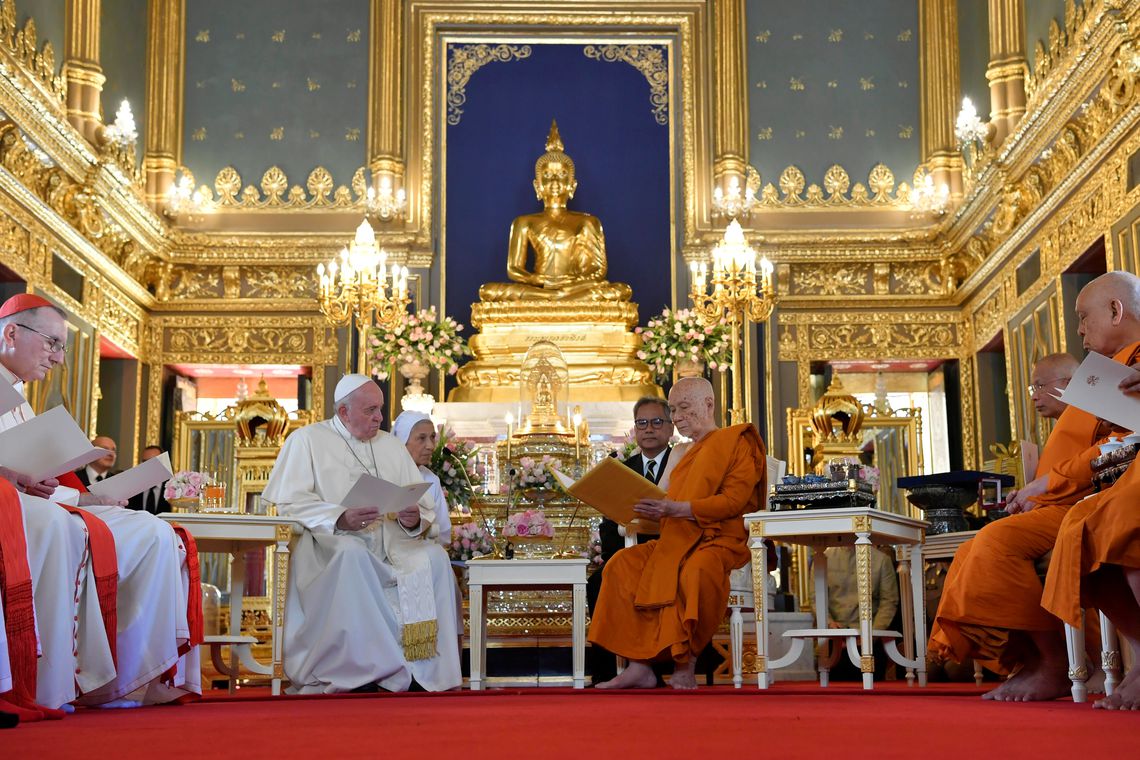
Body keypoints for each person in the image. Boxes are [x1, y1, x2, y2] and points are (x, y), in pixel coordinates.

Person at [930, 272, 1140, 701]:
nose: (1079, 330)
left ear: (1117, 310)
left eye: (1084, 318)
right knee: (977, 546)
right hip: (1069, 498)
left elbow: (1124, 442)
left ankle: (1054, 663)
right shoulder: (1112, 369)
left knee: (1082, 526)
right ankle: (1036, 659)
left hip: (1091, 493)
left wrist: (1049, 483)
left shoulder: (1130, 364)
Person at [0, 293, 200, 709]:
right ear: (11, 333)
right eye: (53, 343)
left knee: (154, 531)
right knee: (62, 527)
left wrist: (90, 497)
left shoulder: (20, 399)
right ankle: (52, 681)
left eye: (63, 348)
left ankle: (131, 678)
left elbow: (36, 473)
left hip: (36, 502)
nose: (57, 359)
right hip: (14, 509)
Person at [261, 375, 462, 693]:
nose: (380, 418)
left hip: (393, 540)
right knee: (351, 556)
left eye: (380, 409)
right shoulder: (307, 441)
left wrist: (412, 518)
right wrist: (339, 517)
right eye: (371, 410)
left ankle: (424, 672)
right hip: (332, 543)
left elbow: (421, 506)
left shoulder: (391, 445)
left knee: (434, 557)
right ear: (343, 412)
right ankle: (363, 673)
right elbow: (289, 503)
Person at [590, 377, 766, 690]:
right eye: (673, 410)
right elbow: (663, 499)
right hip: (675, 538)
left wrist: (676, 510)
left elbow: (732, 502)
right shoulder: (680, 452)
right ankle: (639, 665)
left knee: (696, 570)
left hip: (719, 540)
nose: (678, 417)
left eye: (684, 408)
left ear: (708, 405)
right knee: (620, 565)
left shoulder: (737, 441)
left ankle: (687, 661)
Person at [478, 121, 632, 302]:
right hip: (540, 288)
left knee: (622, 290)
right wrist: (534, 279)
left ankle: (554, 299)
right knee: (487, 291)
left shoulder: (587, 223)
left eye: (561, 176)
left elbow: (598, 271)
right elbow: (513, 268)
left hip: (575, 288)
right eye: (548, 176)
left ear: (572, 186)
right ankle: (552, 298)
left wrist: (572, 286)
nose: (554, 182)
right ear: (537, 186)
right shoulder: (523, 222)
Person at [586, 396, 674, 682]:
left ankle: (655, 668)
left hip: (670, 552)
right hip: (627, 552)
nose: (649, 429)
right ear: (635, 429)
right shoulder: (621, 469)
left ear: (670, 427)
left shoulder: (682, 463)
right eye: (642, 423)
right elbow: (608, 523)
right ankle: (604, 672)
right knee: (599, 580)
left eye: (657, 422)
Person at [824, 545, 899, 680]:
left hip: (870, 643)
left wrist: (871, 634)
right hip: (834, 641)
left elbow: (889, 601)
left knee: (873, 696)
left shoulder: (881, 560)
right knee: (834, 696)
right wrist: (830, 623)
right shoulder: (824, 558)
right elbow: (816, 598)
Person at [392, 412, 452, 545]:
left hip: (421, 552)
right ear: (402, 441)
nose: (430, 446)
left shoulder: (432, 480)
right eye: (421, 438)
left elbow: (443, 533)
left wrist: (420, 524)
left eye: (432, 437)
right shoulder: (384, 473)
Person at [127, 446, 171, 515]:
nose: (149, 465)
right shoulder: (132, 488)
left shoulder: (172, 487)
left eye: (154, 461)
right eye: (145, 461)